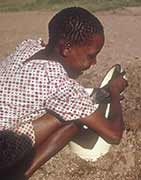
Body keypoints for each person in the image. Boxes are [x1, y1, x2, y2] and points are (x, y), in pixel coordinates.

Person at [0, 7, 128, 179]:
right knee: (74, 118)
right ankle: (18, 174)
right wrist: (113, 92)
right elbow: (114, 135)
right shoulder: (57, 82)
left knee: (67, 106)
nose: (94, 62)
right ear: (66, 48)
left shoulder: (28, 46)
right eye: (91, 56)